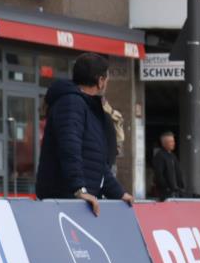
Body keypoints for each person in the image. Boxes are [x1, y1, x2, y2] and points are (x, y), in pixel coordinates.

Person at [35, 52, 133, 215]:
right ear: (100, 81)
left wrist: (119, 193)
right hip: (65, 202)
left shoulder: (87, 108)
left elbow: (96, 162)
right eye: (106, 78)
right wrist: (79, 189)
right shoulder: (71, 103)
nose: (106, 82)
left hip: (78, 202)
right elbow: (69, 147)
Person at [152, 131, 185, 200]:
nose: (173, 143)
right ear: (164, 143)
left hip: (176, 192)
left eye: (173, 141)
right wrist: (166, 188)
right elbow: (159, 175)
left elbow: (177, 173)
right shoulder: (160, 156)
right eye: (171, 142)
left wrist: (181, 187)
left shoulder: (173, 156)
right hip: (166, 194)